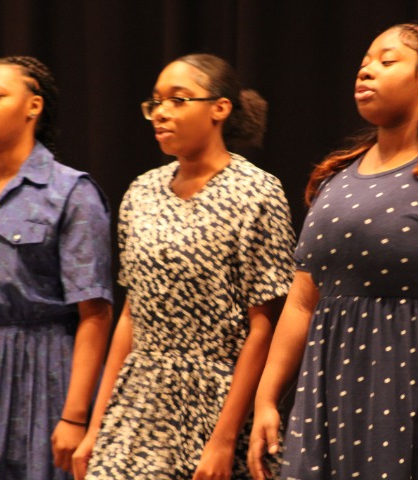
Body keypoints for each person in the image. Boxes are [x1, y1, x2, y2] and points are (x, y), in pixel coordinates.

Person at [247, 22, 418, 480]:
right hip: (335, 388)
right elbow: (302, 301)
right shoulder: (337, 181)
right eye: (364, 63)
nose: (366, 71)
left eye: (387, 61)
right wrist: (267, 397)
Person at [72, 53, 296, 479]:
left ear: (219, 108)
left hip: (218, 400)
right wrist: (96, 427)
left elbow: (264, 325)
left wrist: (224, 440)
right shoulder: (141, 192)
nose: (161, 112)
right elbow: (131, 315)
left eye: (177, 99)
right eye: (155, 102)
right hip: (138, 399)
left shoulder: (257, 192)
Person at [0, 56, 114, 480]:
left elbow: (95, 313)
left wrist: (75, 416)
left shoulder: (71, 192)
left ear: (33, 106)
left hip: (44, 374)